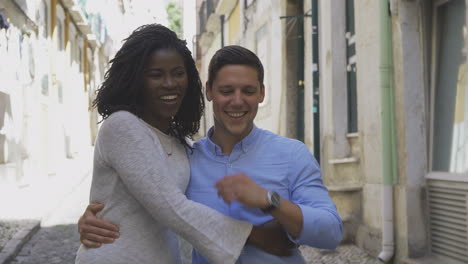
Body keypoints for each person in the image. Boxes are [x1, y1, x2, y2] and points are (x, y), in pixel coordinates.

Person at [79, 45, 343, 263]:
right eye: (227, 91)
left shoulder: (292, 154)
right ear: (209, 91)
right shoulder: (186, 159)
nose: (237, 101)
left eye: (248, 91)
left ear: (261, 93)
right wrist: (93, 219)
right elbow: (156, 201)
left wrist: (269, 200)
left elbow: (331, 233)